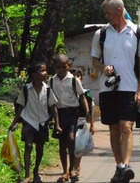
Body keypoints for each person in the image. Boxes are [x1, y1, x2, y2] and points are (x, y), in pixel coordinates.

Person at [91, 0, 140, 182]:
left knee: (127, 126)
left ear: (119, 11)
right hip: (107, 88)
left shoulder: (137, 32)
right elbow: (94, 60)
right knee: (114, 128)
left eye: (108, 13)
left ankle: (125, 164)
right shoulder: (101, 34)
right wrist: (103, 68)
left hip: (129, 87)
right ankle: (120, 167)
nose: (106, 16)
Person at [9, 61, 61, 183]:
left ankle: (36, 171)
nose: (45, 73)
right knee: (28, 145)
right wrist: (14, 122)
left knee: (40, 148)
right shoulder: (26, 89)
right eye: (42, 70)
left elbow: (53, 108)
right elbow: (20, 107)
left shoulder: (48, 89)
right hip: (29, 121)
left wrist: (57, 125)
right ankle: (27, 175)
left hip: (42, 122)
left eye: (45, 70)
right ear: (34, 74)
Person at [49, 54, 93, 183]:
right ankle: (65, 172)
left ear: (68, 65)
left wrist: (87, 112)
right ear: (54, 67)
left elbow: (82, 97)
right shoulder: (51, 81)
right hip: (59, 114)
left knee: (71, 139)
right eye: (58, 67)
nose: (62, 70)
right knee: (62, 143)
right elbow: (49, 99)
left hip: (73, 113)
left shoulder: (74, 80)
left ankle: (73, 168)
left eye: (64, 67)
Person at [69, 67, 94, 177]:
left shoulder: (86, 93)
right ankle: (71, 166)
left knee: (79, 143)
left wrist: (92, 125)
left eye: (77, 75)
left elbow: (90, 109)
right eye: (73, 75)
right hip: (70, 119)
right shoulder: (67, 91)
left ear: (81, 78)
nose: (75, 78)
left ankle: (76, 165)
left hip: (81, 119)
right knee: (71, 142)